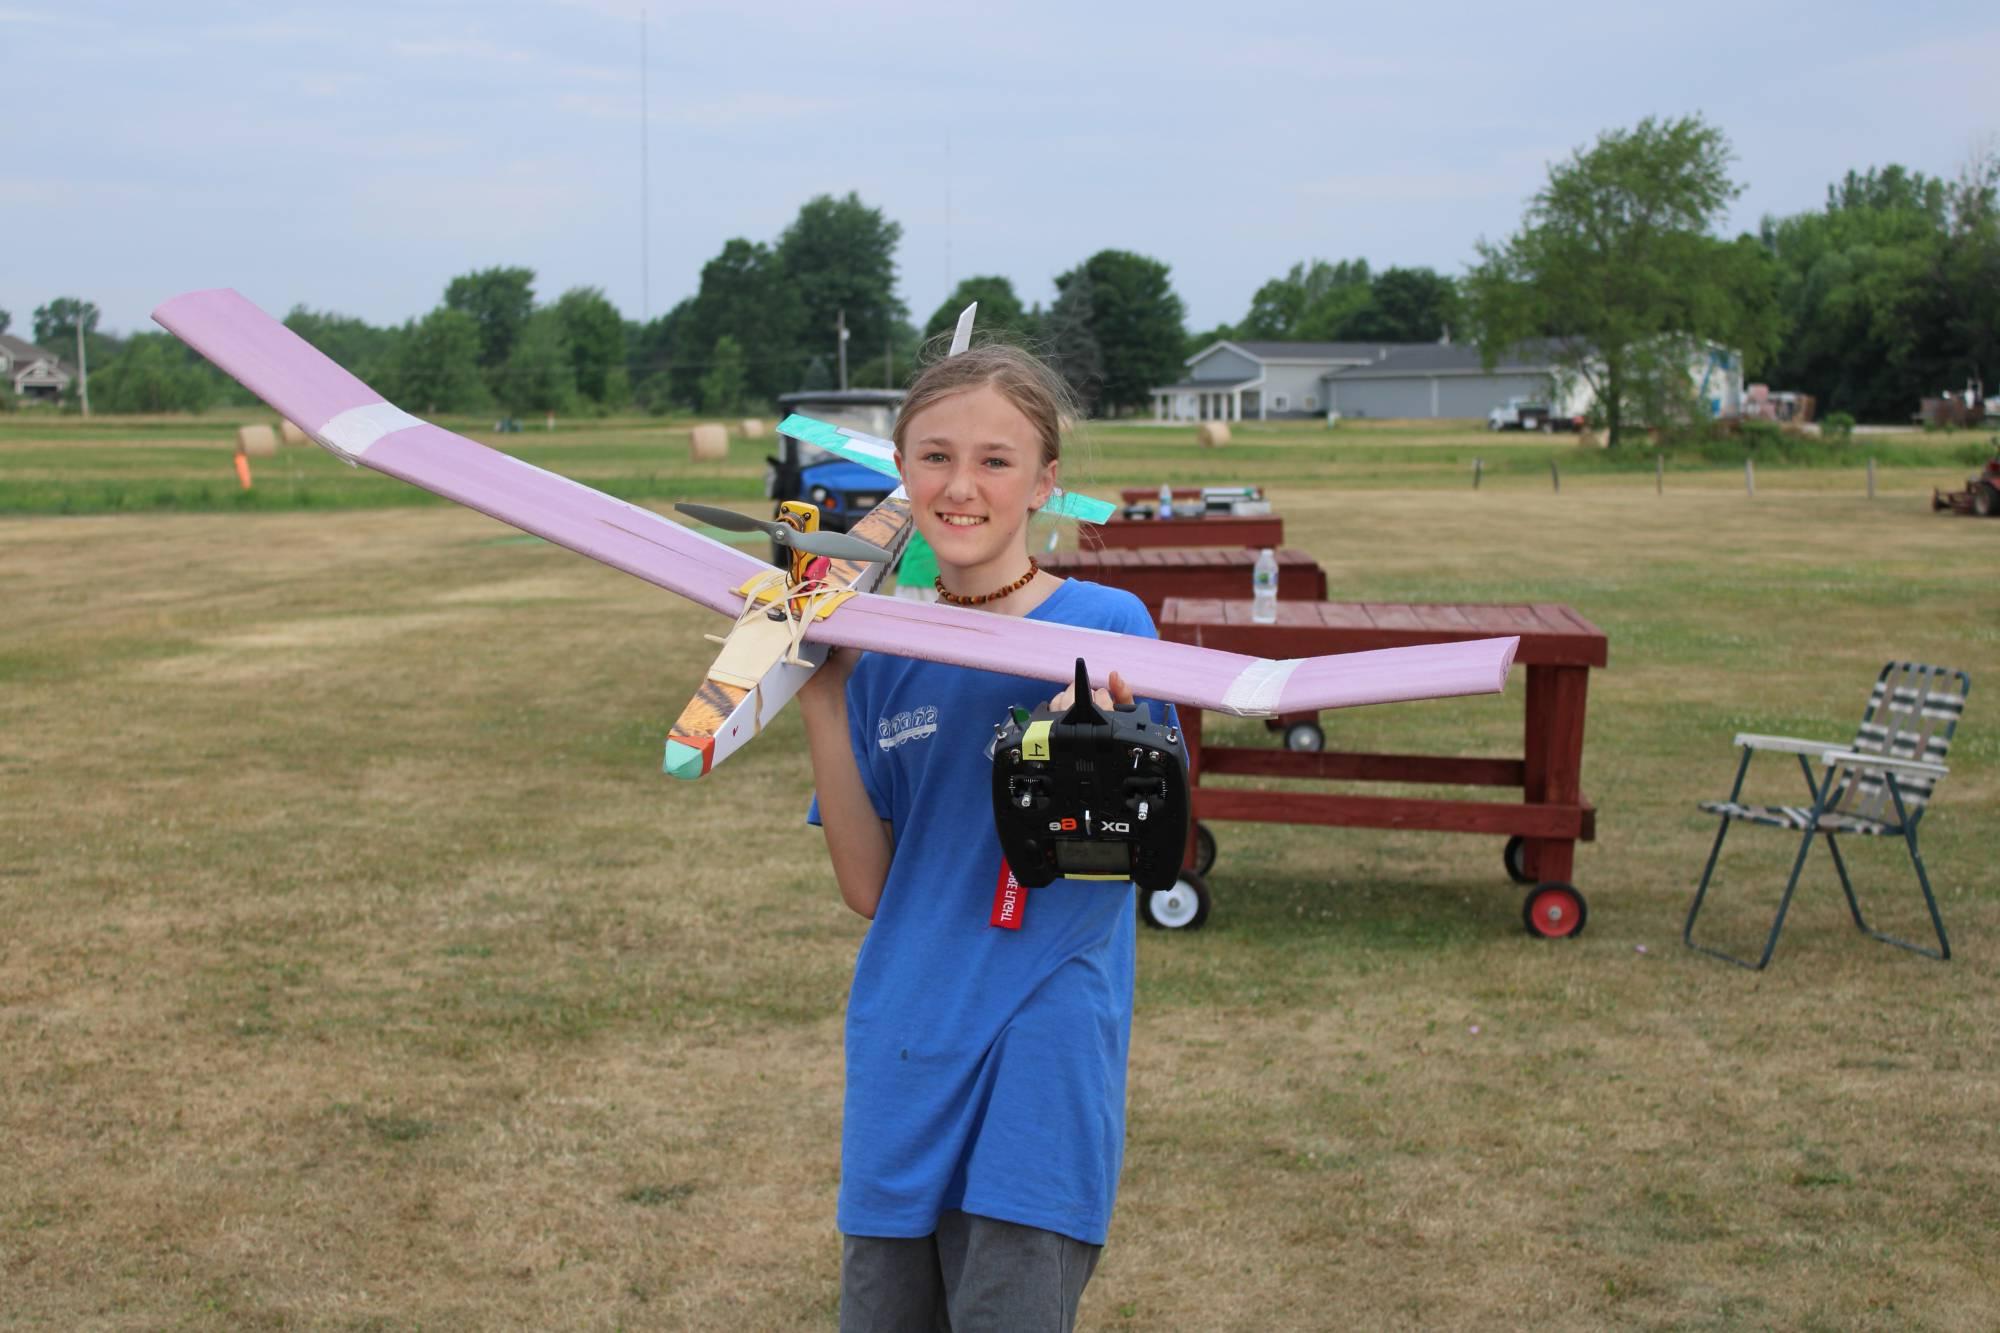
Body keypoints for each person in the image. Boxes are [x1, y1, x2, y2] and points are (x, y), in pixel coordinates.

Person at [800, 343, 1170, 1332]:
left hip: (1036, 1052)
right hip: (904, 1045)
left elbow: (1127, 852)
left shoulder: (1107, 625)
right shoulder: (879, 649)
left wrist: (1084, 744)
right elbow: (868, 887)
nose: (959, 486)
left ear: (1045, 481)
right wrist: (823, 693)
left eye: (996, 461)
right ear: (900, 469)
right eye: (932, 457)